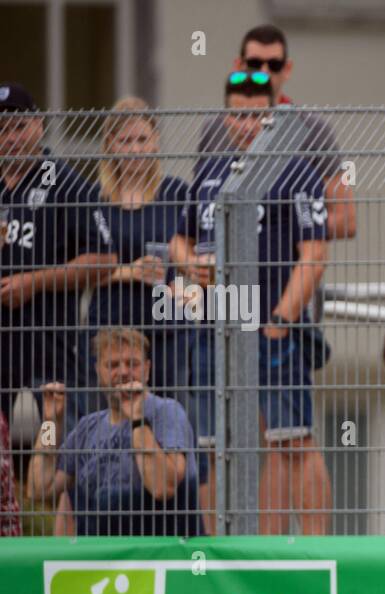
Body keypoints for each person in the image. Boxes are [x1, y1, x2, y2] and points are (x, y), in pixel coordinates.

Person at [171, 70, 332, 535]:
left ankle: (320, 550)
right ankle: (217, 553)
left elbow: (315, 254)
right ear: (226, 117)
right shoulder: (210, 170)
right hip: (214, 329)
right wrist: (189, 267)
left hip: (269, 326)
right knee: (213, 447)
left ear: (275, 114)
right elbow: (180, 240)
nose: (246, 125)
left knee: (293, 441)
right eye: (238, 115)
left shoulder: (296, 168)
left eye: (257, 116)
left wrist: (282, 318)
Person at [0, 81, 114, 428]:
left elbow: (104, 259)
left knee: (55, 439)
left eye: (19, 127)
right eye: (2, 130)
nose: (11, 138)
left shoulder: (63, 181)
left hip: (46, 343)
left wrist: (33, 282)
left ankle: (57, 484)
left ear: (39, 124)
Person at [25, 327, 201, 536]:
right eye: (113, 365)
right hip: (99, 556)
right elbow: (40, 489)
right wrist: (50, 422)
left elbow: (162, 487)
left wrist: (137, 418)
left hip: (156, 554)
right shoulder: (87, 427)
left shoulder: (167, 412)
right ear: (98, 370)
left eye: (132, 364)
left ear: (147, 370)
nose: (124, 372)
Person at [197, 24, 356, 240]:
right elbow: (198, 210)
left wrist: (279, 232)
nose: (264, 72)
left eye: (274, 64)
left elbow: (346, 219)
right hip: (222, 265)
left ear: (287, 69)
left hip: (290, 265)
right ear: (238, 65)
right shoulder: (214, 127)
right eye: (254, 63)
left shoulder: (314, 129)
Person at [85, 98, 190, 418]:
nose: (135, 149)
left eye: (142, 139)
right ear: (110, 146)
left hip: (165, 327)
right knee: (111, 421)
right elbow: (75, 271)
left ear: (156, 141)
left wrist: (183, 287)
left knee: (168, 417)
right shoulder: (94, 200)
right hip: (112, 327)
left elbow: (193, 255)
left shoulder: (176, 193)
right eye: (125, 140)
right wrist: (128, 272)